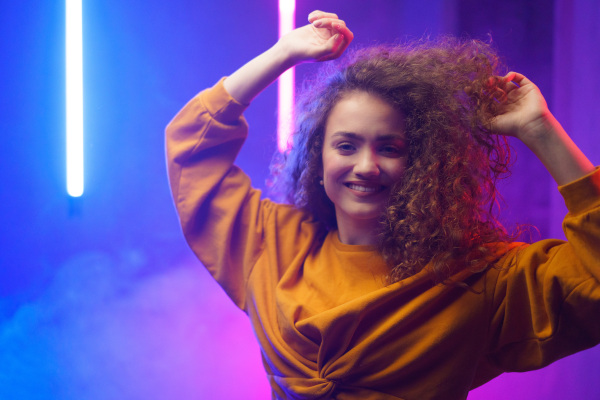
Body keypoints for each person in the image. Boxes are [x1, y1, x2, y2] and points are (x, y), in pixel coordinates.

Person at [166, 10, 600, 400]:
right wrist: (283, 53)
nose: (367, 166)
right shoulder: (272, 242)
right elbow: (191, 150)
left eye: (390, 148)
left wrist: (540, 129)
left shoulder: (478, 276)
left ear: (423, 164)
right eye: (346, 145)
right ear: (318, 158)